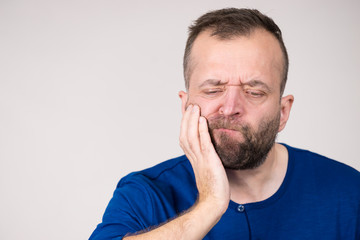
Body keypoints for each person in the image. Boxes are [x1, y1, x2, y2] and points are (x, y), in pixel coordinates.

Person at [90, 8, 360, 240]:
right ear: (186, 107)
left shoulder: (349, 193)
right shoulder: (145, 194)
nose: (230, 108)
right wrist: (210, 205)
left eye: (254, 92)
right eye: (212, 90)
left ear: (283, 111)